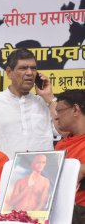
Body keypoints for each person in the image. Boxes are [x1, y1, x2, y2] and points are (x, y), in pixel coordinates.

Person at [0, 48, 62, 159]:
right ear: (9, 72)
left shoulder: (44, 102)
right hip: (6, 172)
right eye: (23, 68)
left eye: (33, 68)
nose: (30, 73)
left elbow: (62, 130)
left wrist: (49, 97)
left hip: (43, 172)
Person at [53, 89, 85, 224]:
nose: (56, 117)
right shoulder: (60, 146)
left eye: (59, 111)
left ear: (76, 110)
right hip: (59, 210)